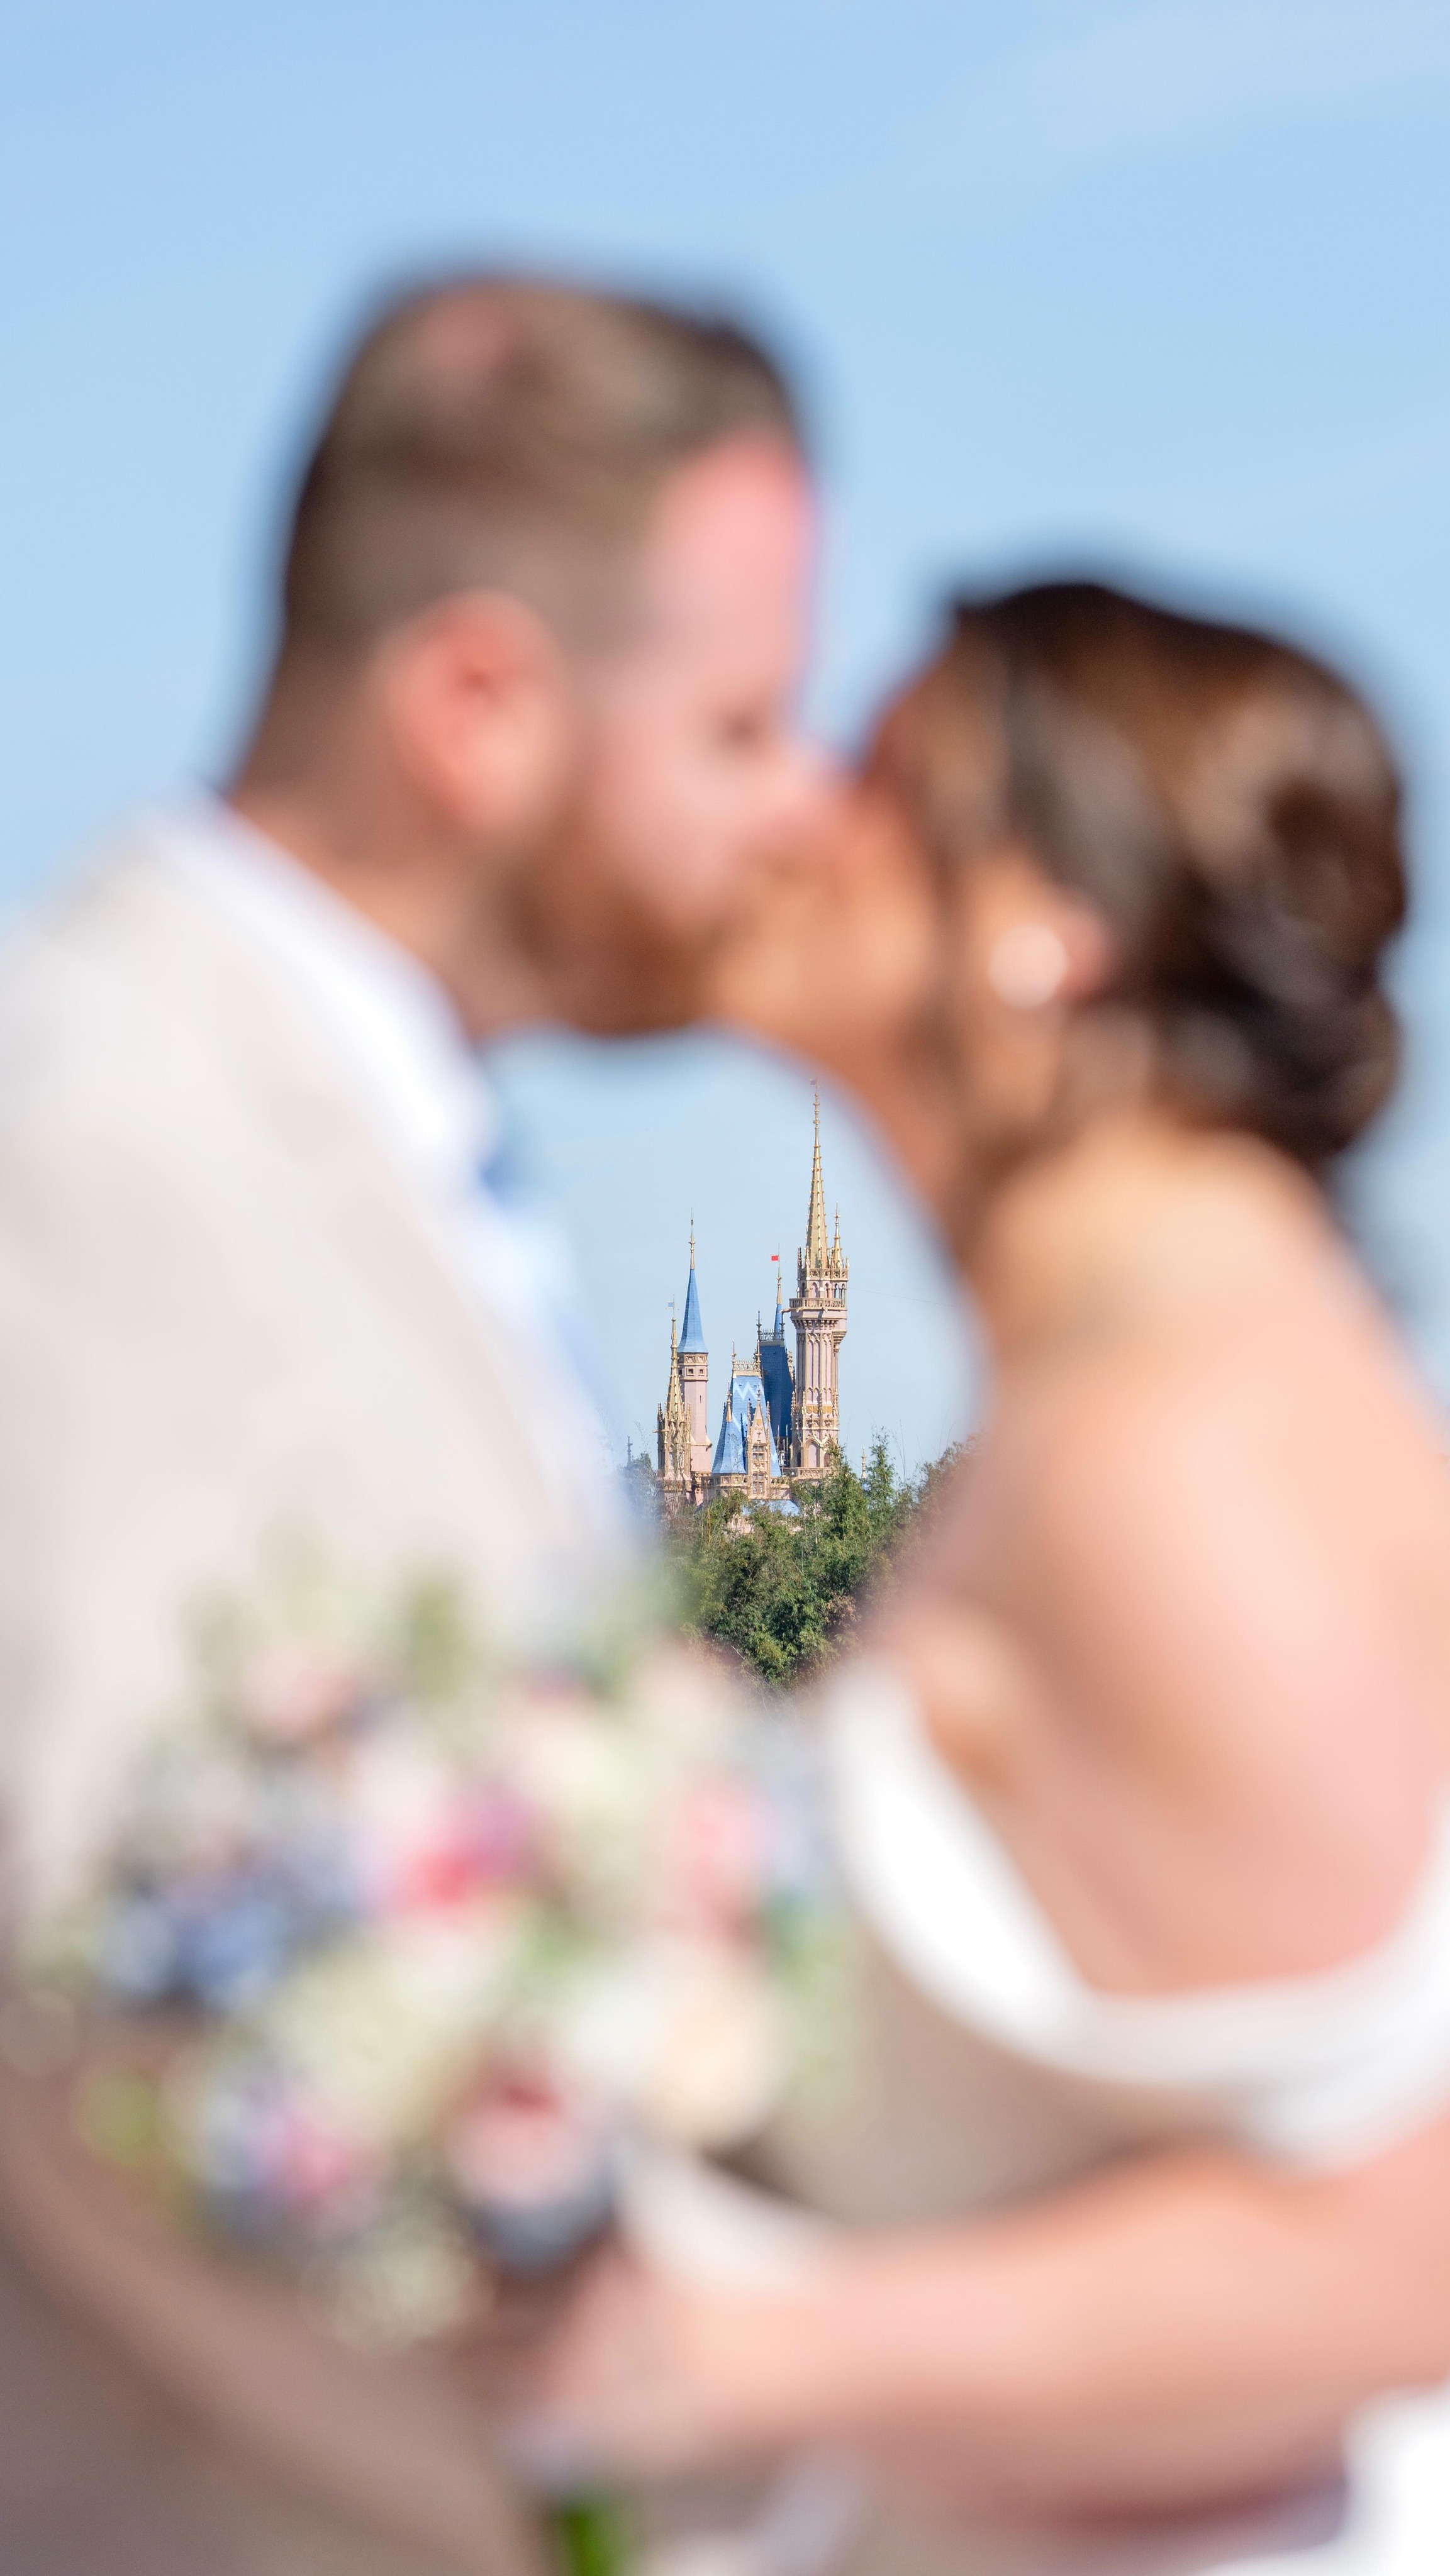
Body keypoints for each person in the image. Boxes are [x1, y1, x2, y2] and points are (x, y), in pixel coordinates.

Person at [0, 271, 825, 2575]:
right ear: (480, 704)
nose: (800, 811)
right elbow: (105, 2032)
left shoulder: (363, 1120)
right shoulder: (103, 1136)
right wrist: (663, 2495)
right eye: (746, 727)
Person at [524, 581, 1450, 2575]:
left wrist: (732, 2354)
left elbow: (1401, 2254)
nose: (787, 823)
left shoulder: (1176, 1458)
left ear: (1047, 918)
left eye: (871, 780)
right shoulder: (1130, 1404)